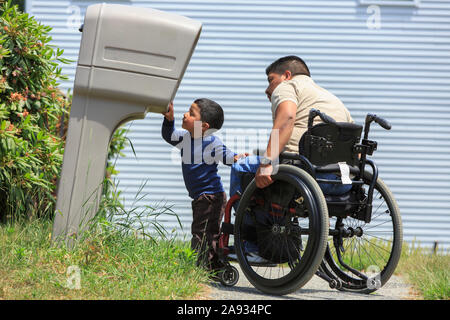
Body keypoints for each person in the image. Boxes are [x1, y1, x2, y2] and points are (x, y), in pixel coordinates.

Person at [161, 98, 246, 273]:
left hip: (211, 196)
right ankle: (210, 266)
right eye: (187, 111)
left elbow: (227, 156)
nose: (185, 115)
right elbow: (168, 135)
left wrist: (237, 158)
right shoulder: (185, 138)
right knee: (203, 232)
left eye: (191, 114)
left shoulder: (212, 143)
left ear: (204, 126)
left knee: (204, 233)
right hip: (201, 197)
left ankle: (205, 268)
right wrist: (169, 120)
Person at [255, 55, 354, 189]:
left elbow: (287, 118)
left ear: (286, 75)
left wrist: (266, 163)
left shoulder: (287, 86)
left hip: (301, 172)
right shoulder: (334, 100)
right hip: (342, 181)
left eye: (271, 80)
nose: (267, 89)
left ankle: (240, 211)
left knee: (241, 166)